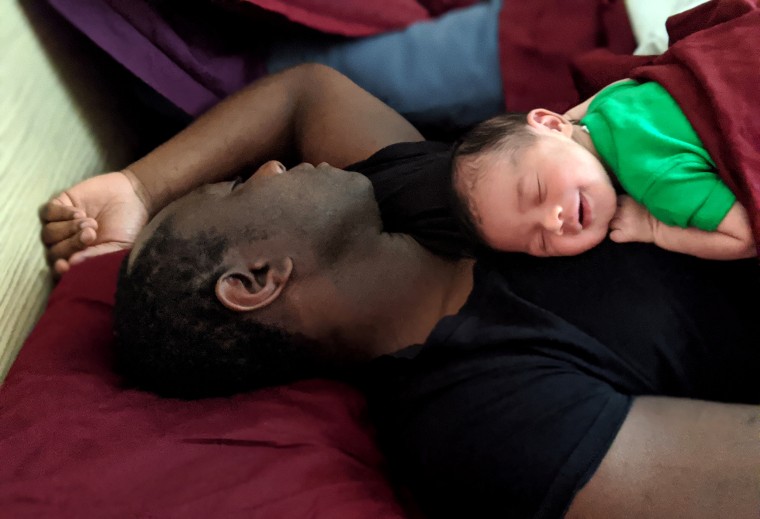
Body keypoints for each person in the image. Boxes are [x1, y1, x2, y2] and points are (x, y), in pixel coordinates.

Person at [40, 63, 760, 519]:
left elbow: (304, 93)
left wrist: (138, 186)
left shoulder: (398, 195)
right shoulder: (487, 421)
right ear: (255, 281)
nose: (265, 169)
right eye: (230, 188)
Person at [449, 78, 756, 260]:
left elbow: (745, 236)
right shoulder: (607, 103)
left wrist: (653, 227)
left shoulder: (657, 181)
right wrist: (572, 118)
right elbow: (629, 81)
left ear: (551, 123)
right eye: (542, 244)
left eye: (537, 191)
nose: (553, 222)